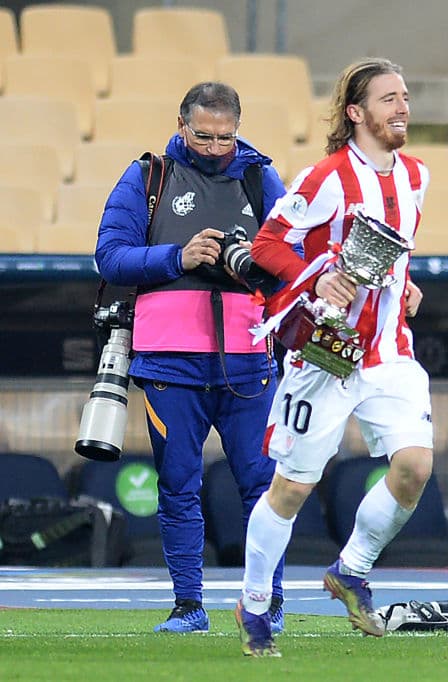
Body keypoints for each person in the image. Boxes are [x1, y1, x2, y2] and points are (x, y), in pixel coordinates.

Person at [235, 57, 431, 657]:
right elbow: (268, 244)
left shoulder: (418, 175)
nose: (402, 108)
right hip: (324, 354)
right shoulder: (327, 177)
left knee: (415, 466)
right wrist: (314, 281)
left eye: (404, 96)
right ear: (356, 112)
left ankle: (350, 571)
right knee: (291, 489)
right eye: (388, 99)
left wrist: (407, 282)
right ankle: (254, 604)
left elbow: (389, 252)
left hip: (389, 352)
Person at [94, 82, 288, 633]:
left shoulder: (260, 176)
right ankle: (188, 606)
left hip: (248, 361)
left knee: (262, 483)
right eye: (203, 135)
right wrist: (177, 256)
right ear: (181, 125)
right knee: (178, 483)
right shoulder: (147, 177)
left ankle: (267, 600)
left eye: (226, 137)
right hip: (168, 362)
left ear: (239, 127)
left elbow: (293, 257)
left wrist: (254, 259)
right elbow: (109, 257)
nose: (213, 146)